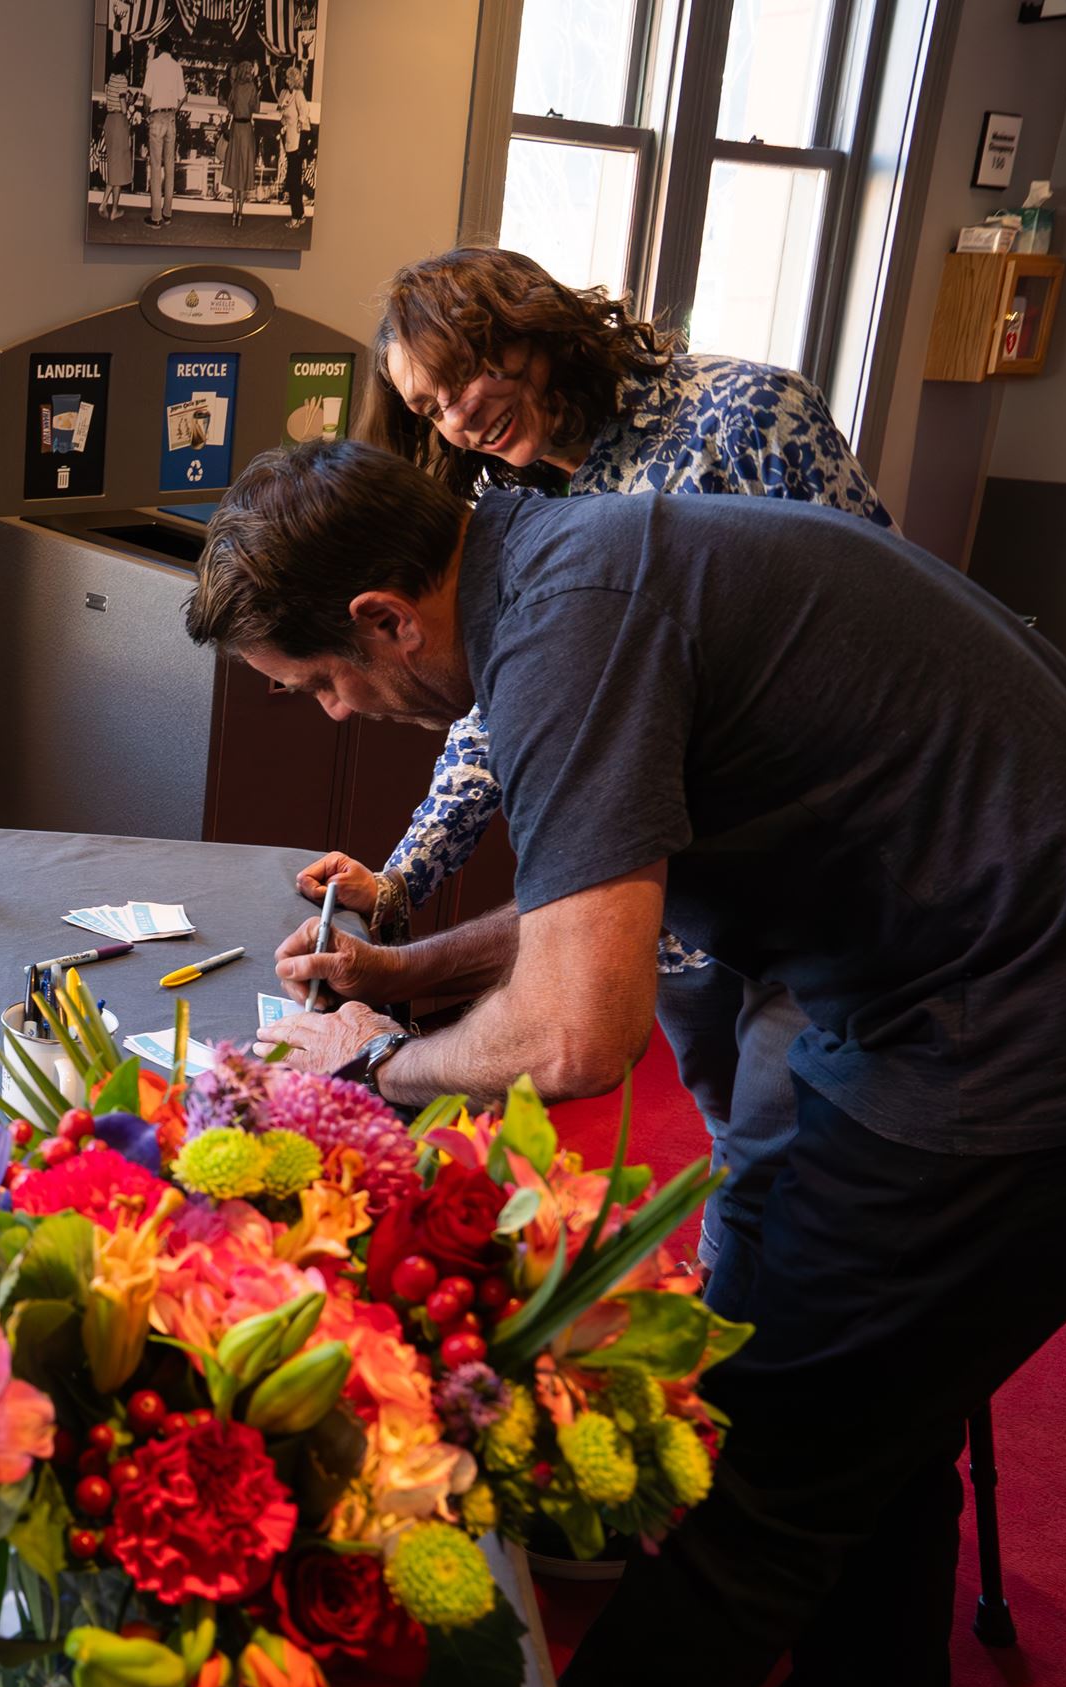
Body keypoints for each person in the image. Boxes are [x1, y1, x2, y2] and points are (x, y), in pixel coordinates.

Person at [187, 437, 1066, 1687]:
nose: (335, 710)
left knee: (766, 1479)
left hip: (1002, 1044)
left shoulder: (563, 636)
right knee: (858, 1421)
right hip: (925, 989)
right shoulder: (565, 571)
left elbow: (575, 1031)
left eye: (324, 679)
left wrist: (376, 1069)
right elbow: (592, 903)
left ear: (384, 616)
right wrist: (398, 963)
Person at [304, 247, 892, 1278]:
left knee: (780, 1163)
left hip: (826, 867)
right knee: (737, 1144)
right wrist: (401, 878)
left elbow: (874, 607)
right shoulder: (530, 511)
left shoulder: (743, 411)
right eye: (427, 406)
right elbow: (497, 716)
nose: (453, 416)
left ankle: (768, 1364)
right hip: (682, 896)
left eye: (462, 378)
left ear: (527, 327)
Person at [141, 44, 187, 227]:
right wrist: (175, 111)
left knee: (155, 166)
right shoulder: (177, 67)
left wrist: (147, 114)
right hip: (171, 119)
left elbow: (146, 97)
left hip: (157, 117)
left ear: (159, 48)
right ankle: (167, 213)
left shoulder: (153, 65)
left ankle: (156, 216)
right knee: (169, 167)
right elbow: (183, 97)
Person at [226, 56, 263, 229]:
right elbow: (256, 109)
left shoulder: (235, 87)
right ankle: (241, 212)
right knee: (245, 168)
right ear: (250, 73)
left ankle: (233, 212)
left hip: (236, 129)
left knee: (234, 168)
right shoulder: (252, 88)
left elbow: (229, 107)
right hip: (247, 130)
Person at [278, 59, 314, 228]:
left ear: (294, 79)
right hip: (291, 141)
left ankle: (296, 216)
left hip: (297, 143)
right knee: (293, 180)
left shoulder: (299, 94)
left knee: (293, 180)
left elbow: (305, 111)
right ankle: (299, 214)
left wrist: (299, 122)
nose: (286, 80)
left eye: (288, 78)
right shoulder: (289, 95)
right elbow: (285, 113)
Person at [98, 73, 137, 222]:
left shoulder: (111, 78)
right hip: (119, 122)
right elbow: (122, 103)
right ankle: (114, 210)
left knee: (114, 167)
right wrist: (129, 105)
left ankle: (104, 204)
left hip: (109, 120)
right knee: (119, 169)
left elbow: (112, 99)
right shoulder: (122, 79)